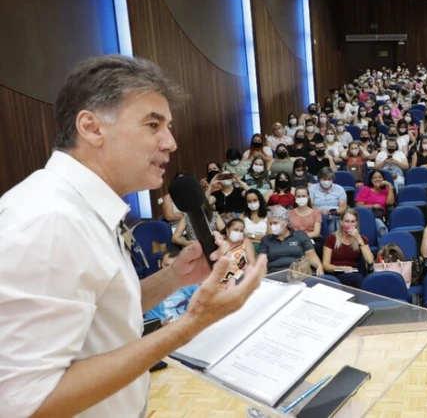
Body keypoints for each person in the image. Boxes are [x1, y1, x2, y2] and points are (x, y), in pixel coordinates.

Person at [0, 55, 267, 417]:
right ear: (92, 128)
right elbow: (27, 402)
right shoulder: (48, 222)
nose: (170, 142)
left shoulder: (82, 208)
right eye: (153, 125)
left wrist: (176, 277)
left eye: (168, 126)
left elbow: (104, 316)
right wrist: (193, 323)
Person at [258, 206, 322, 274]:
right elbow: (262, 264)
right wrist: (263, 280)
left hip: (298, 274)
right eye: (270, 224)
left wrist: (319, 266)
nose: (272, 226)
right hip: (275, 277)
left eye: (275, 223)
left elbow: (310, 255)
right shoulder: (266, 240)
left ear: (285, 222)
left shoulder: (300, 236)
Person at [143, 249, 200, 323]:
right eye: (166, 265)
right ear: (159, 263)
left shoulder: (191, 283)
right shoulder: (151, 289)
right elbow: (152, 323)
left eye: (175, 266)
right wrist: (161, 325)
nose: (170, 270)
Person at [322, 210, 374, 288]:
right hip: (336, 274)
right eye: (347, 221)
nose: (350, 225)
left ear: (357, 223)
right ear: (341, 222)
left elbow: (370, 260)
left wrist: (358, 239)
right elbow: (325, 265)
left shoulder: (362, 239)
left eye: (353, 222)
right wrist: (342, 268)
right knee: (358, 279)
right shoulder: (331, 238)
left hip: (355, 273)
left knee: (359, 278)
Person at [309, 168, 348, 236]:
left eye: (329, 179)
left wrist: (335, 211)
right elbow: (309, 205)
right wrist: (319, 210)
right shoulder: (312, 188)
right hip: (317, 216)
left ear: (332, 179)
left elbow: (343, 207)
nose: (327, 181)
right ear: (319, 179)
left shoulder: (339, 189)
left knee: (334, 230)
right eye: (324, 179)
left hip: (334, 216)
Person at [221, 218, 257, 283]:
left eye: (241, 231)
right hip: (221, 281)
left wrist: (241, 277)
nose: (238, 233)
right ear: (227, 230)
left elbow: (252, 263)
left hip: (243, 279)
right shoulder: (220, 243)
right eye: (235, 230)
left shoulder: (246, 242)